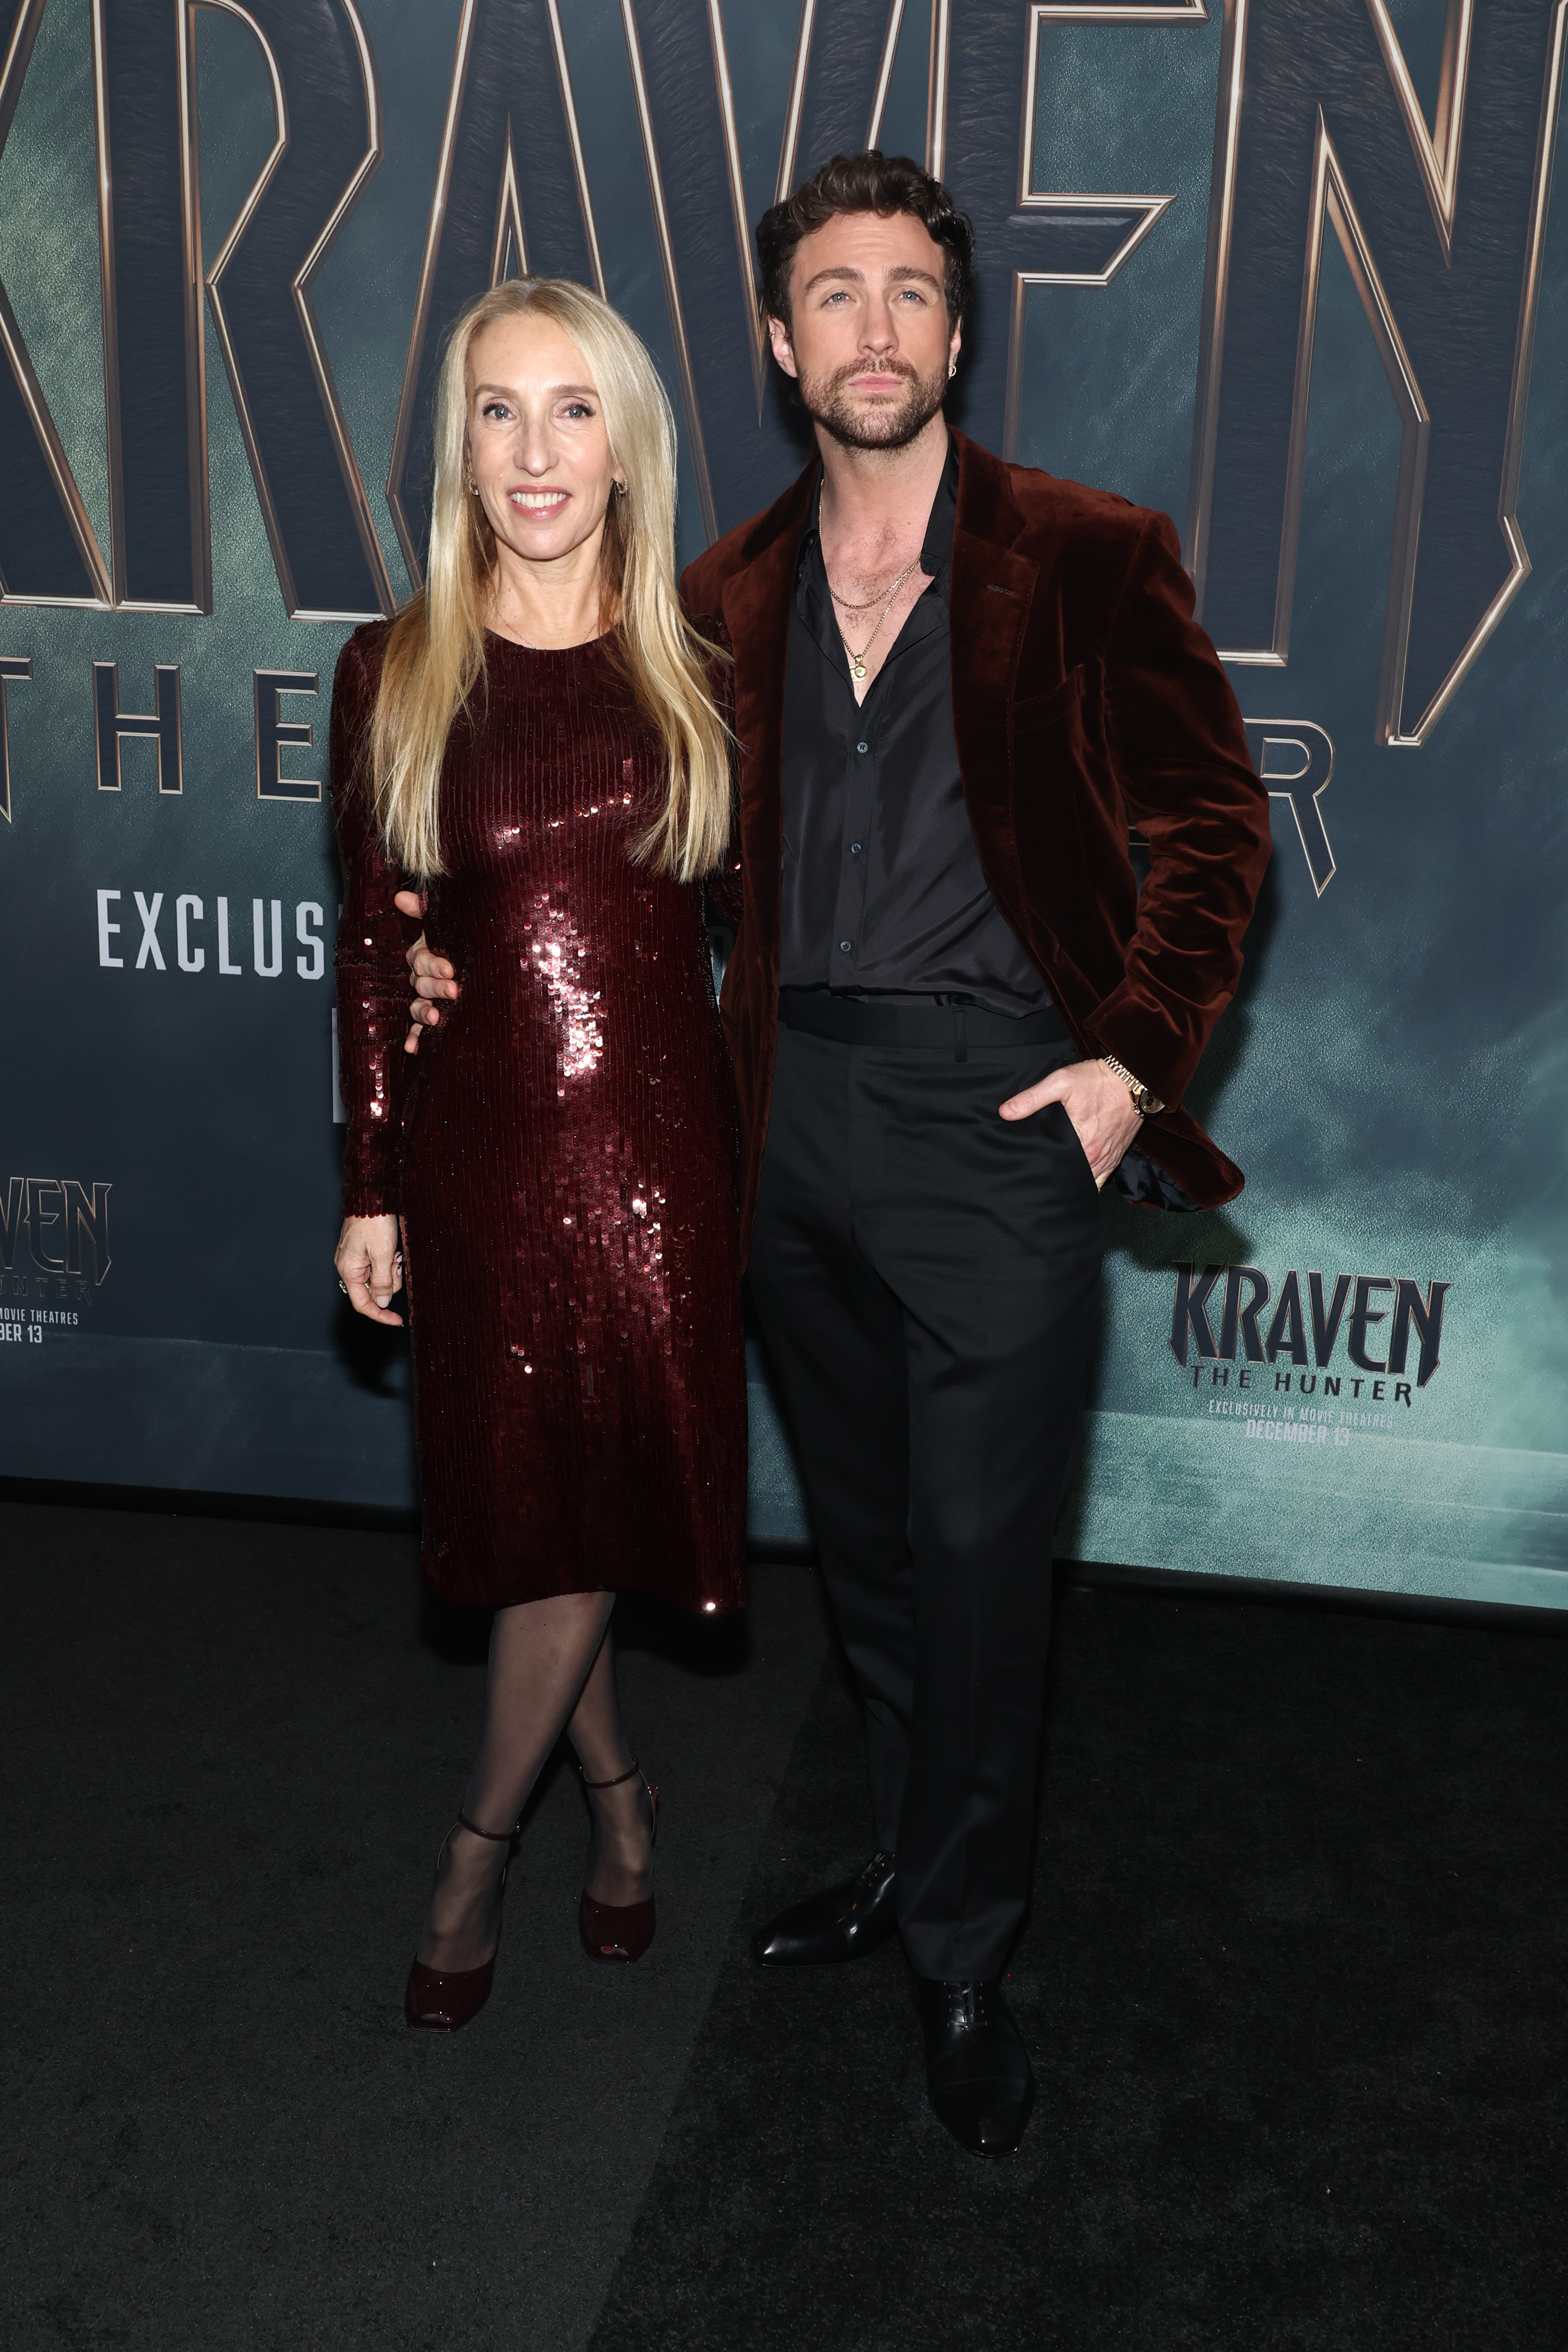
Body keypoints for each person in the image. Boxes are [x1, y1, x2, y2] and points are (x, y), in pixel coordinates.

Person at [406, 152, 1270, 2150]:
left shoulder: (1092, 551)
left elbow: (1218, 833)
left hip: (1003, 1119)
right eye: (833, 295)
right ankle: (901, 1847)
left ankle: (965, 1949)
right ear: (783, 347)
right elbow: (603, 851)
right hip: (778, 1125)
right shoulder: (715, 594)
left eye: (910, 292)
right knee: (871, 1551)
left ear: (956, 336)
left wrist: (1134, 1061)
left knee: (980, 1565)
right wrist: (451, 974)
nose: (874, 328)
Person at [332, 275, 745, 2034]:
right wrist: (369, 1172)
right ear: (461, 446)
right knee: (529, 1526)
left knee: (576, 1536)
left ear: (628, 443)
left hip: (662, 1169)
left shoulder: (707, 664)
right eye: (497, 410)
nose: (534, 449)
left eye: (572, 408)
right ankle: (626, 1810)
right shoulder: (397, 664)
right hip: (485, 1160)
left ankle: (475, 1855)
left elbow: (812, 917)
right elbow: (374, 942)